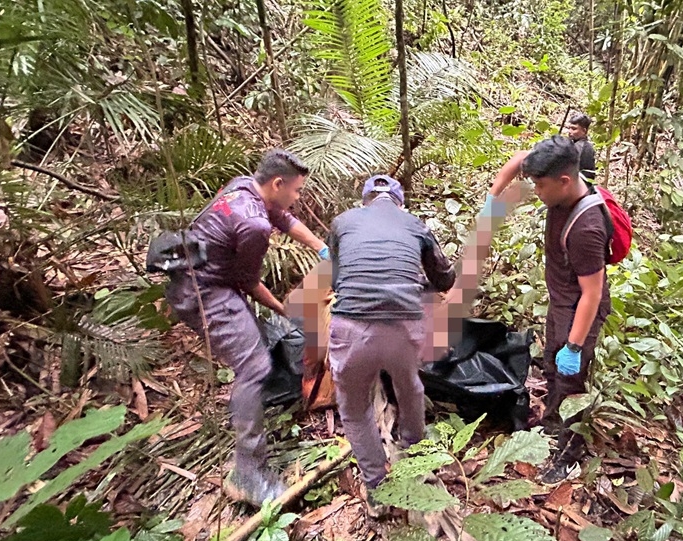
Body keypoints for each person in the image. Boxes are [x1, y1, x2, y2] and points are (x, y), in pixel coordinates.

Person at [163, 149, 330, 507]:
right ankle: (248, 473)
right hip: (204, 292)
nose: (298, 197)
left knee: (260, 346)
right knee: (253, 365)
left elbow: (281, 216)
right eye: (297, 190)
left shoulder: (242, 187)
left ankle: (260, 400)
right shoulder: (252, 224)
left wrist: (321, 247)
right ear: (277, 183)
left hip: (202, 278)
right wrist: (285, 309)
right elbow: (248, 283)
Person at [484, 136, 613, 483]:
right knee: (552, 370)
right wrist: (492, 198)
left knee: (570, 379)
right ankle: (550, 424)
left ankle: (569, 455)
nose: (536, 192)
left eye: (540, 186)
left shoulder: (587, 228)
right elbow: (518, 158)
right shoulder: (557, 172)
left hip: (578, 309)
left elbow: (592, 293)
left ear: (564, 182)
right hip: (561, 302)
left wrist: (574, 346)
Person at [325, 174, 456, 517]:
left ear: (365, 200)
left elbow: (337, 278)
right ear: (399, 202)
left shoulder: (342, 223)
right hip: (403, 327)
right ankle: (418, 457)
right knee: (409, 386)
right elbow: (445, 278)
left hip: (351, 327)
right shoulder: (416, 225)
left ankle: (378, 490)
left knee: (354, 408)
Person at [566, 113, 597, 188]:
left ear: (584, 131)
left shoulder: (584, 147)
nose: (570, 131)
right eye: (569, 128)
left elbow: (586, 175)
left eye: (574, 129)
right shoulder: (573, 144)